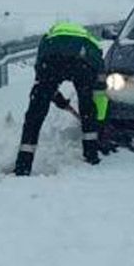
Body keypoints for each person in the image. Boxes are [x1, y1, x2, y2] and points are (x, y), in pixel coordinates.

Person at [14, 22, 108, 176]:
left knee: (35, 113)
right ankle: (91, 155)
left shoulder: (49, 37)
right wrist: (100, 122)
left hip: (51, 59)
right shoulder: (94, 48)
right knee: (87, 106)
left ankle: (23, 165)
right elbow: (99, 94)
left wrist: (56, 98)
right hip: (82, 62)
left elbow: (42, 79)